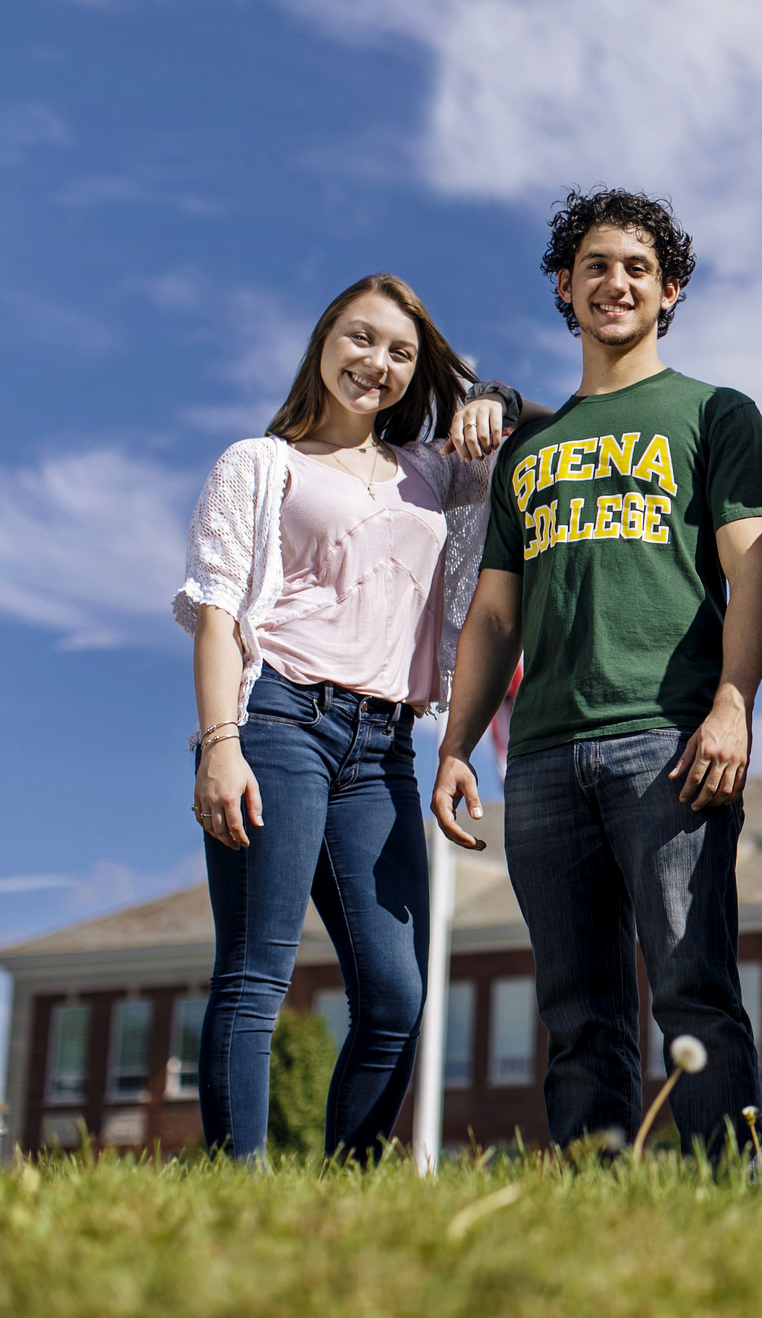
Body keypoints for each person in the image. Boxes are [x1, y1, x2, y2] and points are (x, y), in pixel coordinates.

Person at [432, 190, 762, 1158]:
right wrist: (458, 747)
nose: (614, 282)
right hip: (543, 760)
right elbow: (497, 613)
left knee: (692, 990)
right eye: (594, 265)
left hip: (670, 742)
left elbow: (753, 567)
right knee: (578, 1015)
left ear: (669, 289)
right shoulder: (529, 454)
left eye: (636, 267)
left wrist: (732, 703)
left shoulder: (715, 414)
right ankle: (599, 1214)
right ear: (564, 285)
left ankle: (730, 1201)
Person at [177, 272, 539, 1161]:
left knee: (394, 994)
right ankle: (239, 1187)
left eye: (401, 353)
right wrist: (221, 743)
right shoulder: (260, 466)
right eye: (361, 338)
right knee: (258, 973)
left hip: (385, 750)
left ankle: (352, 1186)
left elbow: (547, 435)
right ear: (324, 342)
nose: (377, 362)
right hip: (277, 721)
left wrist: (495, 398)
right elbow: (220, 611)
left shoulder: (435, 473)